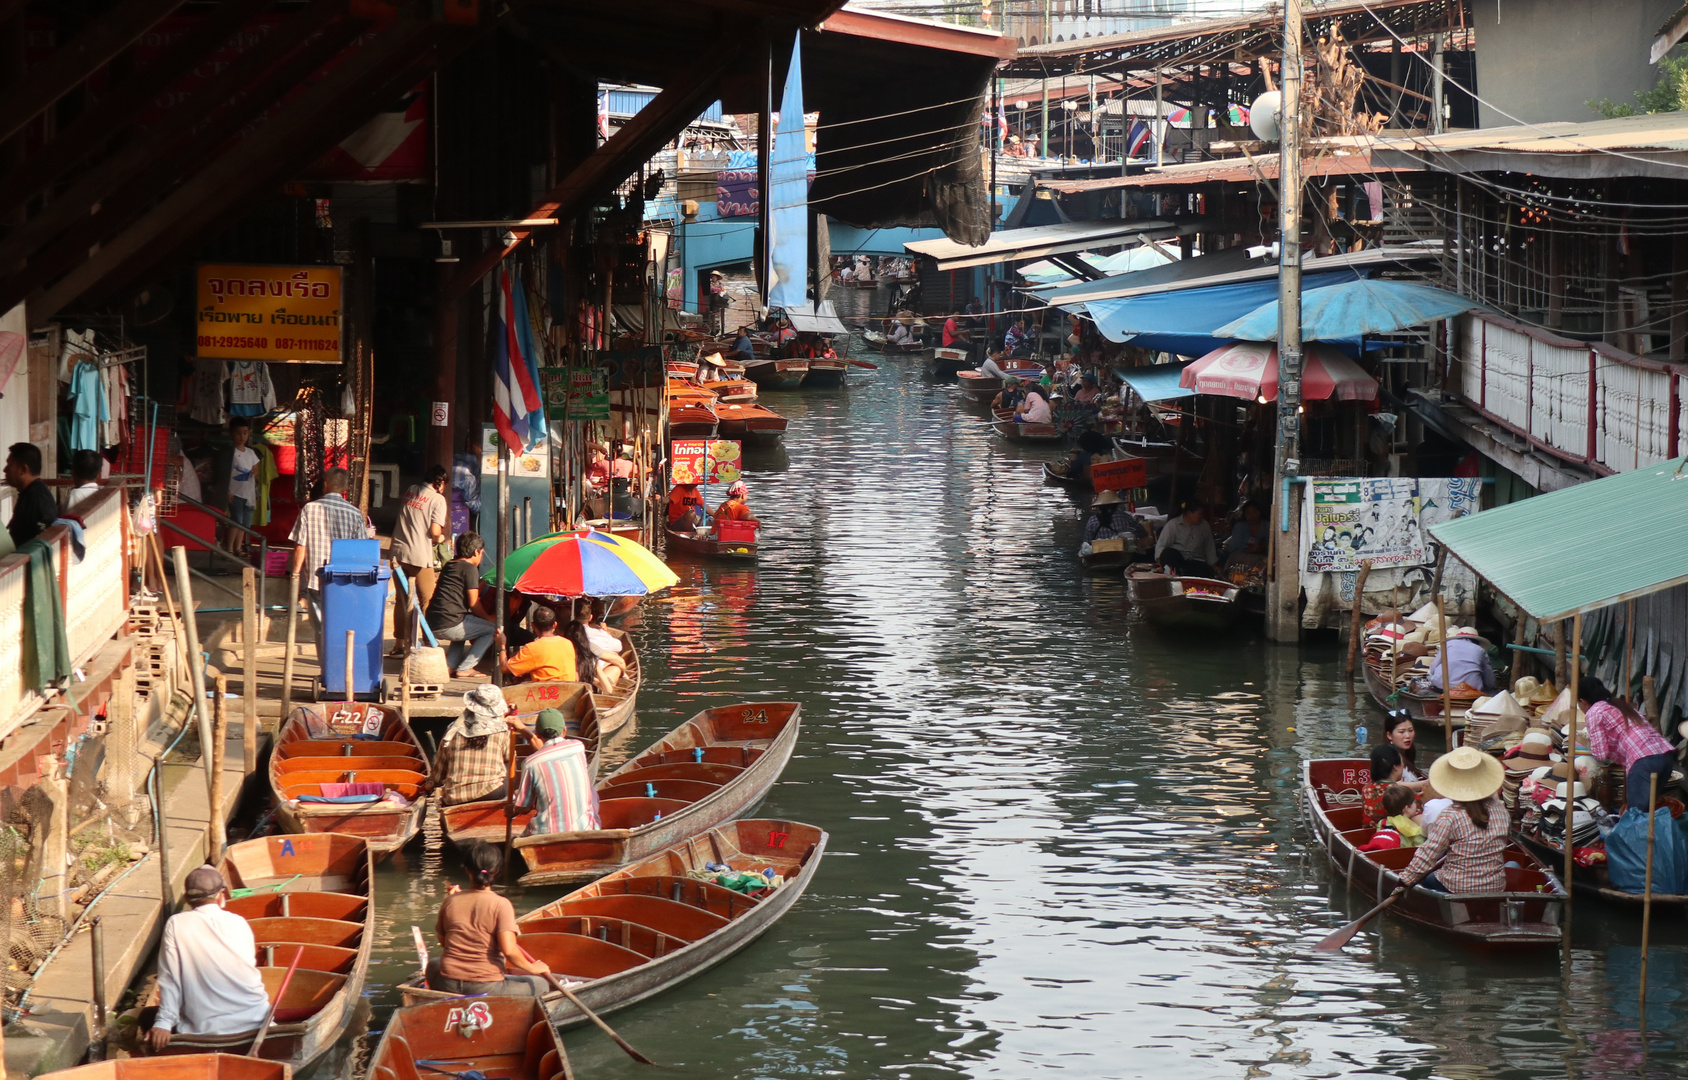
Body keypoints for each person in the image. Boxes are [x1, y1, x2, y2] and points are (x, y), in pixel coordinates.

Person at [145, 865, 271, 1050]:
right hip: (258, 1023)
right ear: (222, 897)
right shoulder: (239, 922)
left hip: (203, 1032)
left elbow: (170, 978)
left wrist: (163, 1024)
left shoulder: (176, 923)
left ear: (187, 898)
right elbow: (249, 964)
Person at [427, 841, 551, 996]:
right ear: (496, 871)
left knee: (433, 964)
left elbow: (444, 942)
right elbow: (510, 951)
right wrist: (534, 968)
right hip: (485, 987)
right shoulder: (501, 905)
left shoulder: (450, 901)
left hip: (447, 984)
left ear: (467, 870)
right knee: (541, 984)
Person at [287, 467, 373, 655]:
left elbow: (300, 546)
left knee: (321, 628)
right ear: (345, 488)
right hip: (344, 582)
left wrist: (294, 574)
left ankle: (326, 666)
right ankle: (339, 662)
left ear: (325, 484)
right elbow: (361, 550)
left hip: (316, 581)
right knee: (341, 625)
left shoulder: (309, 509)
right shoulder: (354, 513)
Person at [1399, 747, 1510, 894]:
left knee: (1427, 878)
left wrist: (1403, 881)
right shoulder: (1501, 810)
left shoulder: (1450, 816)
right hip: (1496, 886)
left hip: (1457, 887)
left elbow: (1427, 855)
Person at [1579, 676, 1677, 810]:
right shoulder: (1621, 705)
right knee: (1649, 810)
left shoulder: (1594, 712)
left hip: (1643, 760)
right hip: (1665, 756)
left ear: (1582, 701)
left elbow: (1601, 754)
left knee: (1637, 813)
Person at [391, 465, 450, 653]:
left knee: (401, 600)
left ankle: (399, 644)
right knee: (427, 600)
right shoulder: (438, 499)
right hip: (419, 556)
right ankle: (427, 642)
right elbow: (435, 531)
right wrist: (440, 538)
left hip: (398, 554)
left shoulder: (411, 490)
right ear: (440, 483)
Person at [426, 686, 516, 807]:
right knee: (511, 760)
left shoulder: (452, 730)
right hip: (492, 792)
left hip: (455, 796)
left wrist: (430, 784)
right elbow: (510, 758)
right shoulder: (502, 732)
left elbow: (439, 771)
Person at [516, 708, 599, 836]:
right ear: (564, 731)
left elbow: (524, 807)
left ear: (537, 733)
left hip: (545, 834)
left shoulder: (530, 763)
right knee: (592, 791)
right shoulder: (579, 747)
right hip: (585, 827)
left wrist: (511, 810)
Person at [427, 532, 499, 679]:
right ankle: (466, 668)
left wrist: (482, 582)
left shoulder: (450, 565)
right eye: (482, 553)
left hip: (433, 622)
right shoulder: (470, 568)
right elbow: (473, 604)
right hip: (450, 623)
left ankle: (451, 666)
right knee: (492, 629)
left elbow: (463, 590)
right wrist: (489, 618)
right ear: (476, 552)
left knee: (466, 622)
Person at [499, 605, 577, 683]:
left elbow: (504, 668)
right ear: (554, 625)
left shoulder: (532, 648)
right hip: (568, 691)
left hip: (546, 693)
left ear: (533, 626)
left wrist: (502, 645)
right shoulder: (568, 643)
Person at [5, 442, 57, 549]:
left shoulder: (37, 497)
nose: (5, 470)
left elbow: (43, 533)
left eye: (10, 465)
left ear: (23, 469)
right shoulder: (29, 492)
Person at [1418, 625, 1497, 693]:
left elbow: (1433, 668)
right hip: (1470, 689)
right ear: (1476, 641)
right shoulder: (1480, 650)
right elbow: (1489, 679)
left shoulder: (1448, 645)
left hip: (1441, 686)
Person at [1153, 501, 1219, 577]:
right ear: (1189, 513)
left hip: (1195, 563)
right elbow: (1161, 546)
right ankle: (1176, 575)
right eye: (1199, 513)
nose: (1201, 516)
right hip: (1177, 561)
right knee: (1168, 553)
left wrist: (1214, 566)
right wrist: (1162, 564)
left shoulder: (1204, 526)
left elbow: (1209, 548)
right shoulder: (1173, 525)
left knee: (1205, 570)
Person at [563, 618, 624, 695]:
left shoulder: (562, 655)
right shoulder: (590, 659)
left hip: (567, 690)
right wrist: (591, 679)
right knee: (615, 668)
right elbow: (608, 689)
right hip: (586, 693)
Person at [1363, 744, 1403, 822]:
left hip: (1369, 832)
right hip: (1392, 833)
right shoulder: (1406, 793)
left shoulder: (1366, 789)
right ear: (1395, 766)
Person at [1382, 784, 1426, 848]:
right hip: (1403, 856)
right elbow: (1420, 847)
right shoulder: (1414, 829)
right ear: (1407, 808)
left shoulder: (1382, 822)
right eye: (1413, 802)